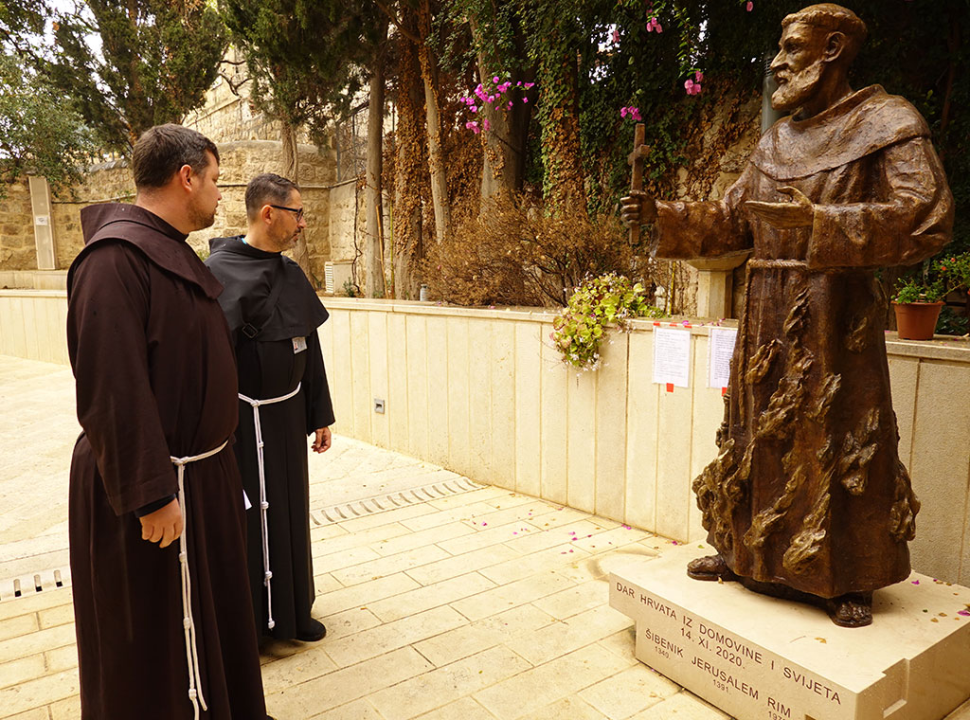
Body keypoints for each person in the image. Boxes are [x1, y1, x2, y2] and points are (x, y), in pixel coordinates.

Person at [621, 4, 953, 627]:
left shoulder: (888, 122)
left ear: (832, 50)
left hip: (836, 315)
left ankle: (847, 570)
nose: (777, 63)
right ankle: (745, 551)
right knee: (754, 434)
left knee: (836, 434)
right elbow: (730, 218)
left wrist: (823, 225)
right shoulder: (775, 142)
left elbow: (926, 217)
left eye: (792, 48)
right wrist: (662, 216)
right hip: (766, 313)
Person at [67, 124, 272, 719]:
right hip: (156, 488)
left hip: (200, 474)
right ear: (187, 177)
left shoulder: (169, 247)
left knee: (211, 618)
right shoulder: (113, 260)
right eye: (214, 180)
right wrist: (152, 492)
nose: (218, 194)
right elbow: (112, 387)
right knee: (153, 635)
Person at [205, 173, 334, 644]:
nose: (303, 223)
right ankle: (254, 626)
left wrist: (319, 413)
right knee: (250, 520)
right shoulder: (217, 272)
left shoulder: (291, 274)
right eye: (297, 213)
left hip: (286, 418)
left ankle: (294, 612)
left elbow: (309, 347)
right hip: (241, 423)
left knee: (289, 513)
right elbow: (209, 361)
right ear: (269, 213)